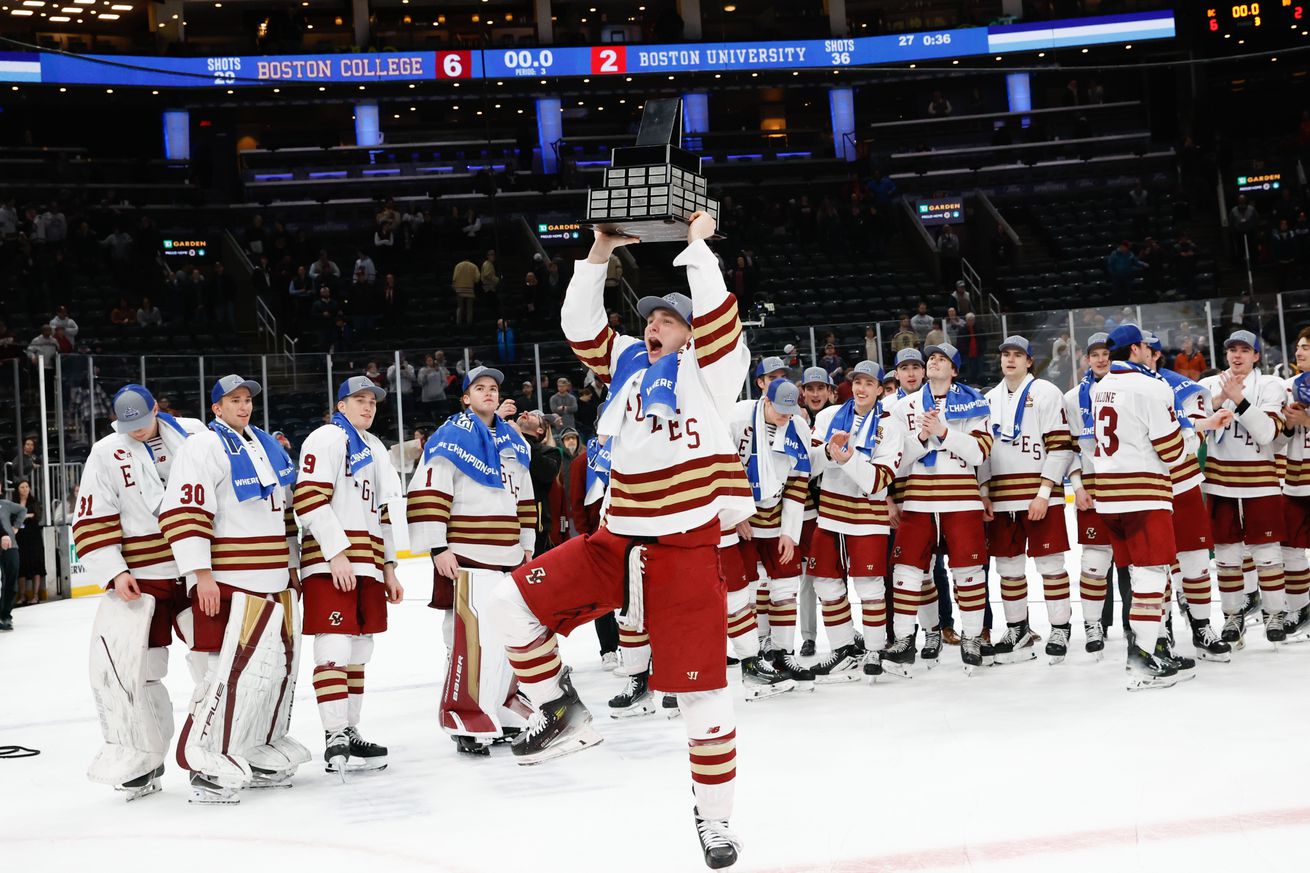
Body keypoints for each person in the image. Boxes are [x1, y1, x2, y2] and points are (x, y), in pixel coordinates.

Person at [488, 213, 753, 867]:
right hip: (616, 539)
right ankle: (561, 712)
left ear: (691, 336)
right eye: (653, 317)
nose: (656, 324)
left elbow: (719, 315)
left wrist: (697, 246)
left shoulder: (713, 372)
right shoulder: (631, 368)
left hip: (687, 550)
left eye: (671, 320)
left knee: (702, 696)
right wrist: (599, 252)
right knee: (504, 605)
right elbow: (580, 327)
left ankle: (714, 819)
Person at [159, 374, 305, 802]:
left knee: (272, 672)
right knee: (223, 674)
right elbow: (185, 509)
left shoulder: (266, 445)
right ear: (216, 408)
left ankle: (253, 745)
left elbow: (284, 512)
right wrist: (199, 572)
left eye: (247, 400)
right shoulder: (202, 446)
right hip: (230, 581)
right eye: (233, 400)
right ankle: (205, 757)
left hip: (274, 580)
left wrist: (292, 564)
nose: (243, 406)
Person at [75, 385, 206, 799]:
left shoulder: (194, 435)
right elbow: (93, 513)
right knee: (142, 670)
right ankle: (146, 759)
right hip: (143, 575)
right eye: (125, 425)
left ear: (157, 409)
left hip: (196, 567)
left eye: (141, 421)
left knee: (214, 662)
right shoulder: (104, 451)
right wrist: (114, 571)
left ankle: (212, 751)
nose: (134, 431)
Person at [406, 366, 535, 756]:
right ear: (466, 397)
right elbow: (430, 491)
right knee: (464, 638)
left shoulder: (513, 440)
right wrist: (436, 546)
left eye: (494, 388)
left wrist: (527, 542)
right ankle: (464, 717)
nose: (489, 393)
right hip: (465, 551)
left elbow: (524, 496)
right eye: (480, 388)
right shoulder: (451, 436)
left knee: (507, 635)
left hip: (509, 553)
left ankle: (499, 707)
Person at [294, 376, 404, 777]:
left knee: (360, 652)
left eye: (372, 401)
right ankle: (334, 734)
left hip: (369, 563)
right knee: (335, 647)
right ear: (341, 405)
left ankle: (350, 730)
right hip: (332, 562)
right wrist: (335, 553)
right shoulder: (326, 438)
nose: (368, 407)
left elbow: (384, 512)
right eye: (359, 400)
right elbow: (308, 497)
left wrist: (388, 567)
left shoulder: (375, 448)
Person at [1089, 325, 1189, 690]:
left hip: (1109, 496)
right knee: (1151, 576)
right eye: (1146, 345)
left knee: (1139, 575)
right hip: (1144, 493)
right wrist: (1194, 434)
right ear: (1135, 348)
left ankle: (1156, 647)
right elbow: (1172, 450)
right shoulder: (1152, 386)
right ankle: (1142, 658)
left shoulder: (1100, 388)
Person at [884, 342, 993, 674]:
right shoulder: (905, 406)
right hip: (917, 499)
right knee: (906, 571)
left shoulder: (975, 401)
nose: (933, 361)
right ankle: (905, 639)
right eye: (931, 357)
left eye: (942, 358)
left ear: (954, 370)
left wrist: (942, 432)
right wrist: (921, 437)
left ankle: (972, 637)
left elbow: (979, 454)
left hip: (961, 497)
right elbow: (896, 462)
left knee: (969, 573)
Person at [809, 361, 906, 679]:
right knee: (825, 583)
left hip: (868, 518)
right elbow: (808, 466)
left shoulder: (891, 426)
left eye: (868, 383)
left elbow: (879, 481)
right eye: (857, 382)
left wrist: (848, 459)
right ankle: (843, 649)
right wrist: (827, 451)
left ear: (880, 389)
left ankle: (875, 649)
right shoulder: (827, 417)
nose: (861, 388)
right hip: (830, 516)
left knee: (870, 587)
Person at [981, 337, 1074, 664]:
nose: (1010, 359)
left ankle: (1061, 627)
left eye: (1017, 354)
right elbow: (983, 452)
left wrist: (1045, 492)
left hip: (1039, 495)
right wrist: (983, 492)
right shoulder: (989, 398)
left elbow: (1061, 446)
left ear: (1029, 361)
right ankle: (1017, 628)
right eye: (1005, 354)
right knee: (1008, 568)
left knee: (1050, 565)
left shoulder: (1047, 393)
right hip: (1002, 496)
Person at [1143, 332, 1234, 660]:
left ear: (1155, 355)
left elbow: (1196, 434)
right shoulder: (1122, 388)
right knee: (1155, 567)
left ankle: (1201, 627)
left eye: (1147, 351)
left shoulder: (1182, 385)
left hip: (1182, 485)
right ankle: (1162, 629)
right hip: (1147, 490)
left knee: (1195, 562)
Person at [718, 378, 813, 694]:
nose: (786, 417)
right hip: (739, 519)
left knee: (786, 583)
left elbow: (799, 481)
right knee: (742, 591)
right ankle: (753, 656)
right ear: (765, 399)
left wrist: (790, 532)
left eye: (791, 410)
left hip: (776, 516)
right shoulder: (736, 417)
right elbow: (720, 468)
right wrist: (736, 512)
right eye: (780, 410)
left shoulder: (798, 426)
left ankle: (783, 654)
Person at [1199, 330, 1289, 646]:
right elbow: (1190, 423)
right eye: (1232, 350)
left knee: (1267, 555)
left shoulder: (1270, 386)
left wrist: (1238, 399)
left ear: (1256, 356)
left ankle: (1275, 614)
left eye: (1244, 350)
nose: (1237, 356)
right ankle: (1232, 616)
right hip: (1219, 481)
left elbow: (1266, 433)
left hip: (1260, 482)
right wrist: (1219, 399)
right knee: (1225, 556)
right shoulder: (1209, 386)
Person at [1063, 333, 1115, 656]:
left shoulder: (1130, 390)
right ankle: (1093, 624)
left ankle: (1146, 625)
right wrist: (1078, 486)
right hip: (1093, 484)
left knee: (1138, 559)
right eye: (1094, 354)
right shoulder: (1071, 398)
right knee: (1095, 560)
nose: (1100, 359)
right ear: (1086, 359)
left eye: (1105, 353)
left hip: (1128, 478)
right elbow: (1067, 448)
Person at [795, 366, 835, 655]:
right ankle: (808, 636)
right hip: (805, 511)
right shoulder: (792, 419)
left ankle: (845, 632)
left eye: (821, 388)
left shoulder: (840, 419)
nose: (816, 393)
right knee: (806, 579)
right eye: (811, 389)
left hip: (834, 507)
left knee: (836, 575)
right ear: (803, 392)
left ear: (830, 391)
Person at [1278, 327, 1310, 640]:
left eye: (1307, 348)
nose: (1299, 352)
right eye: (1299, 347)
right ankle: (1301, 609)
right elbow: (1276, 440)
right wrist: (1288, 425)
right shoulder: (1287, 387)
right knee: (1290, 549)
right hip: (1296, 478)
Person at [13, 479, 45, 605]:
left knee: (36, 564)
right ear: (18, 489)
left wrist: (25, 516)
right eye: (22, 487)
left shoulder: (34, 502)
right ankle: (22, 596)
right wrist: (26, 515)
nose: (25, 489)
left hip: (34, 537)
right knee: (22, 566)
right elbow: (12, 518)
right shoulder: (14, 503)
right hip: (20, 537)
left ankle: (36, 595)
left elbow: (38, 515)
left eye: (27, 486)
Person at [0, 495, 25, 631]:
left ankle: (6, 614)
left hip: (10, 545)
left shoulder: (5, 504)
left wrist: (16, 527)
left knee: (11, 578)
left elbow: (22, 510)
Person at [452, 258, 479, 325]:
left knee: (459, 307)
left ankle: (458, 323)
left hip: (459, 289)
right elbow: (477, 279)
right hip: (469, 289)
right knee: (469, 308)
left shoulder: (458, 265)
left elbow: (454, 278)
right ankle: (469, 323)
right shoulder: (474, 266)